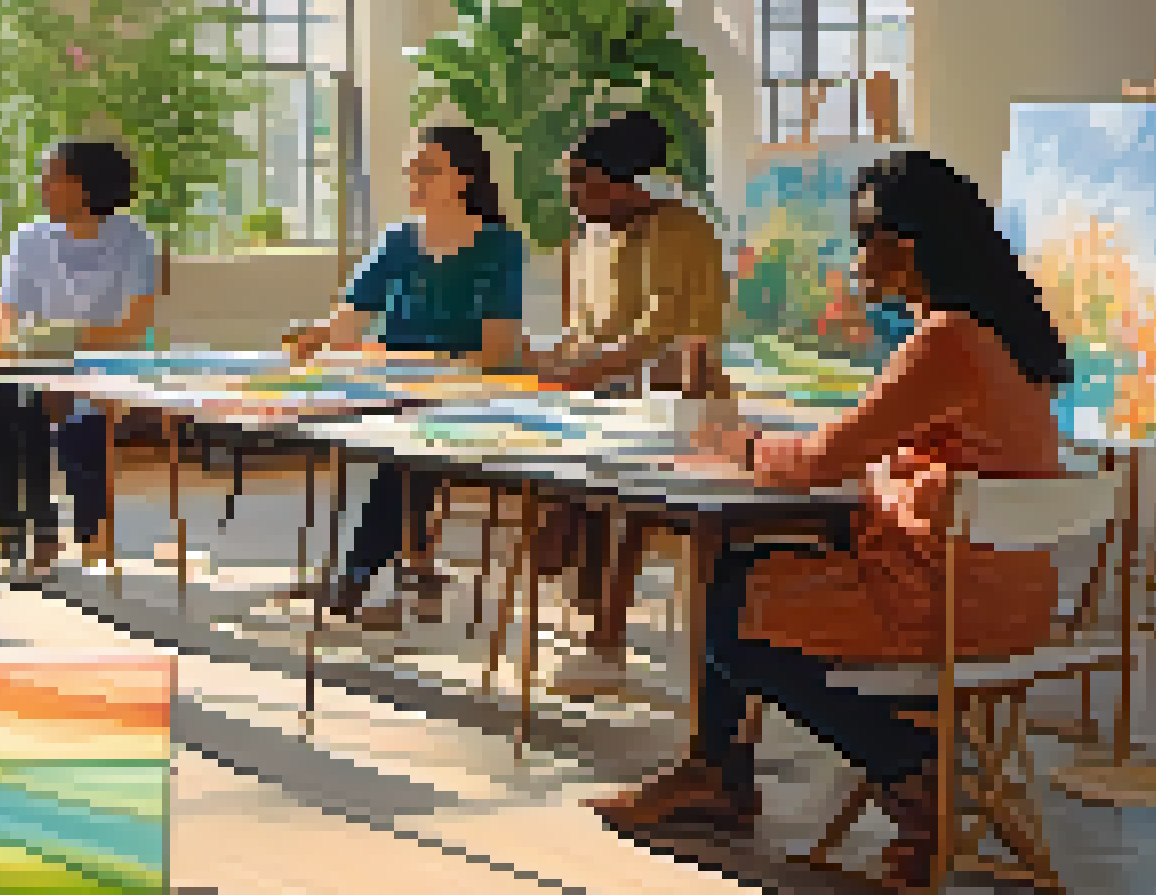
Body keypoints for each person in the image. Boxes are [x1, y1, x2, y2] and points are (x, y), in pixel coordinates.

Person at [587, 150, 1074, 891]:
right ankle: (726, 771)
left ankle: (908, 776)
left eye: (860, 238)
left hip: (945, 602)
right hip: (1011, 596)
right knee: (756, 563)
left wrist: (740, 444)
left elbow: (825, 460)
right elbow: (891, 453)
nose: (854, 258)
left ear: (903, 247)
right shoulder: (1008, 337)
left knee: (733, 606)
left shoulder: (949, 338)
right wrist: (869, 469)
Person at [286, 125, 525, 629]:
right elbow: (348, 321)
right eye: (411, 170)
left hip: (471, 393)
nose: (414, 180)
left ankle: (353, 575)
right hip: (399, 389)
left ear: (464, 179)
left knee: (406, 458)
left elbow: (497, 350)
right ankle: (383, 565)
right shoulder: (398, 239)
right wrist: (318, 338)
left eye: (428, 169)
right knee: (396, 449)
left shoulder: (500, 246)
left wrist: (405, 360)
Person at [528, 110, 733, 692]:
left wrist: (575, 372)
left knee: (624, 481)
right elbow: (579, 331)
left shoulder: (683, 233)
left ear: (627, 182)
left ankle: (607, 633)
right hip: (604, 392)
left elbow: (658, 337)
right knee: (565, 465)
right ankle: (589, 610)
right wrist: (549, 364)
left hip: (681, 400)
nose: (571, 198)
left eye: (582, 183)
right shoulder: (587, 238)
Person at [0, 140, 158, 579]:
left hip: (105, 368)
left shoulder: (132, 240)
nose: (43, 187)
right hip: (38, 367)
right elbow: (6, 317)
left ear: (84, 186)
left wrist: (61, 342)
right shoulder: (29, 239)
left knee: (71, 422)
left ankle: (86, 532)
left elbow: (133, 326)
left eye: (52, 177)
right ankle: (26, 530)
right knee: (0, 412)